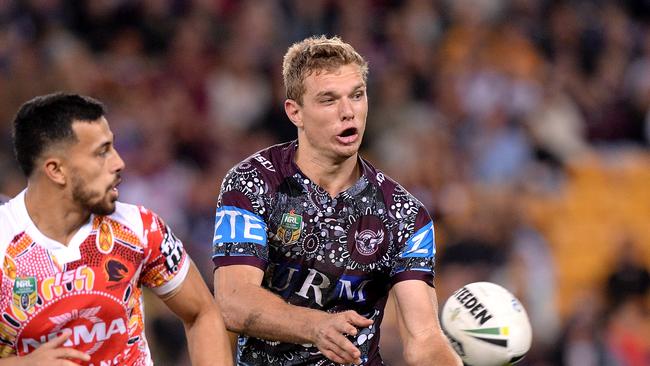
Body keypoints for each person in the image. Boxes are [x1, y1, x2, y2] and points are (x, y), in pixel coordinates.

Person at [212, 35, 462, 366]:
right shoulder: (254, 183)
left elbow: (425, 339)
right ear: (295, 112)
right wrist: (315, 326)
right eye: (328, 100)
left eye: (357, 96)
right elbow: (233, 301)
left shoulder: (404, 215)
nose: (348, 112)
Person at [0, 93, 233, 365]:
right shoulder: (5, 236)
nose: (118, 162)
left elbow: (202, 312)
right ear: (56, 170)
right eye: (102, 152)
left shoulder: (139, 228)